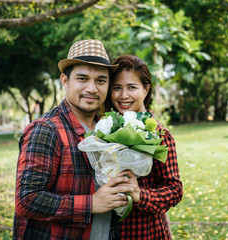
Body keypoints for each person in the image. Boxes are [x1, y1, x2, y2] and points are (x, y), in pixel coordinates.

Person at [13, 40, 134, 240]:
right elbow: (27, 200)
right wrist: (92, 203)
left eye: (101, 81)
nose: (92, 88)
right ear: (65, 80)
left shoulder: (106, 129)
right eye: (82, 78)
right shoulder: (46, 130)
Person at [106, 55, 183, 239]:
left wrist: (139, 194)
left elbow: (174, 190)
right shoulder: (104, 128)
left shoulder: (160, 135)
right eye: (117, 88)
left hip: (144, 231)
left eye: (132, 87)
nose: (123, 95)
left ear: (146, 89)